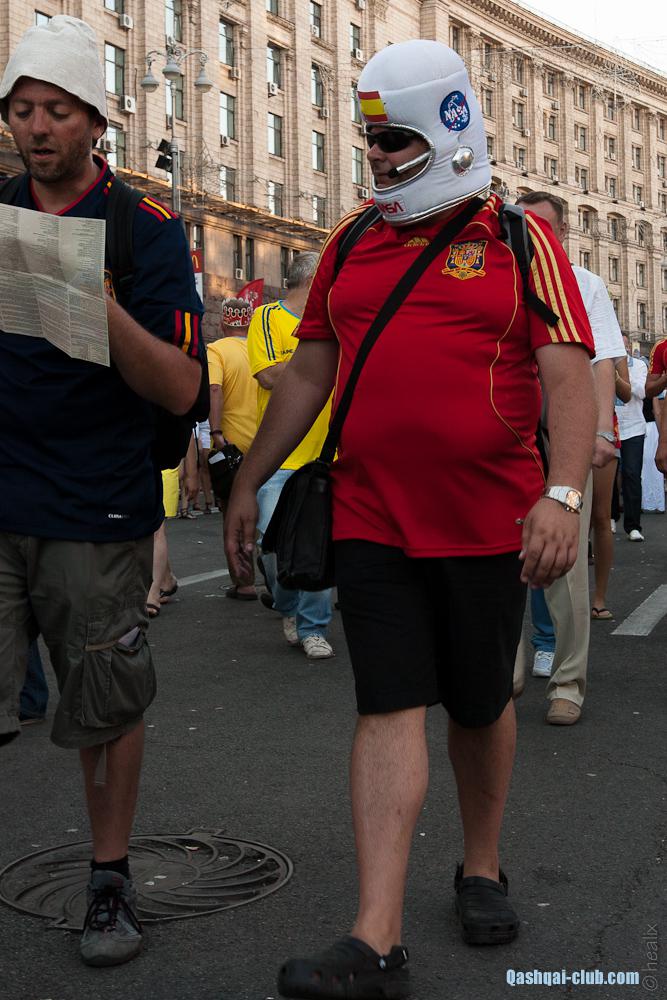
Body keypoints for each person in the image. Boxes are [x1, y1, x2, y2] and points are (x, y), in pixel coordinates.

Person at [225, 40, 595, 998]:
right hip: (370, 515)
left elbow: (567, 375)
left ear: (449, 128)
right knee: (385, 703)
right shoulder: (351, 238)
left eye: (393, 139)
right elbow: (310, 369)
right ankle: (375, 938)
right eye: (369, 139)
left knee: (477, 703)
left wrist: (559, 496)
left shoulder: (520, 239)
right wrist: (246, 480)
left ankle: (481, 866)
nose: (376, 156)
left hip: (486, 522)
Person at [0, 16, 204, 967]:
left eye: (57, 110)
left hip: (96, 508)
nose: (37, 127)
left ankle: (109, 880)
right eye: (22, 110)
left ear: (95, 121)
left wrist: (92, 298)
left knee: (103, 705)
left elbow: (181, 388)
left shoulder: (144, 231)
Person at [512, 192, 623, 722]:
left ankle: (568, 683)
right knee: (497, 555)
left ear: (560, 236)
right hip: (505, 440)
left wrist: (600, 430)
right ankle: (506, 666)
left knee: (565, 563)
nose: (527, 235)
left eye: (539, 227)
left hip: (564, 439)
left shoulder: (583, 283)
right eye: (519, 224)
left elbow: (600, 362)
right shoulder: (496, 274)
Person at [246, 253, 335, 660]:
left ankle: (313, 627)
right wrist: (320, 357)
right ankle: (286, 604)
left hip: (327, 457)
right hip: (279, 458)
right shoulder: (268, 317)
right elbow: (268, 375)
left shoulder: (336, 320)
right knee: (272, 544)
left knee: (316, 544)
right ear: (314, 278)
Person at [208, 297, 258, 599]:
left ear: (222, 322)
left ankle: (245, 582)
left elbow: (215, 388)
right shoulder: (259, 349)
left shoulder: (216, 350)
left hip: (232, 444)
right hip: (266, 441)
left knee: (233, 511)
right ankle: (280, 581)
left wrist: (216, 431)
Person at [589, 357, 631, 620]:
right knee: (572, 515)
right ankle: (571, 603)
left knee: (601, 516)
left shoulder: (613, 346)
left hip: (604, 429)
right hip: (567, 419)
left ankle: (599, 600)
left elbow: (626, 393)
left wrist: (609, 371)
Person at [616, 335, 648, 540]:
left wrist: (620, 376)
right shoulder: (604, 365)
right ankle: (610, 516)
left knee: (632, 475)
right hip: (611, 426)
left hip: (634, 427)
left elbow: (642, 391)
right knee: (609, 476)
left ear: (628, 347)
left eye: (624, 345)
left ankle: (633, 526)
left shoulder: (639, 365)